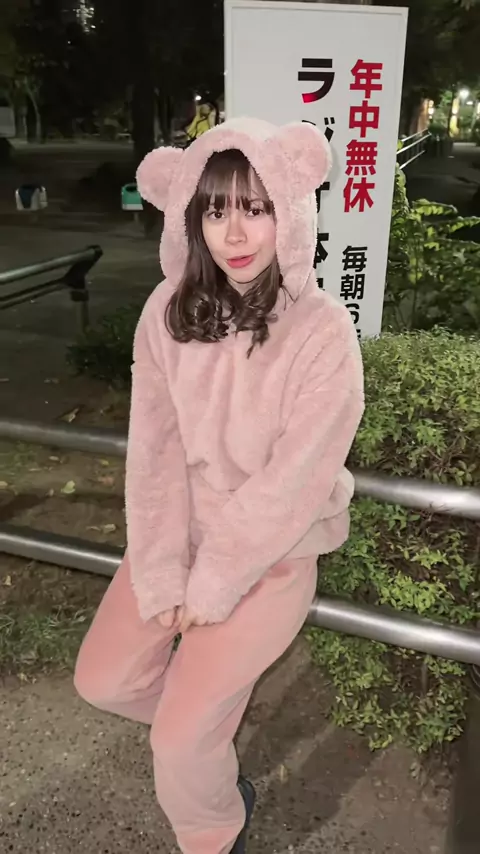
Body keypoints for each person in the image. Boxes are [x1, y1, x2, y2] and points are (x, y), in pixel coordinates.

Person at [74, 117, 365, 854]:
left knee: (177, 742)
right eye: (214, 210)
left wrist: (213, 583)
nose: (234, 233)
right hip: (179, 536)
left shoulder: (322, 329)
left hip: (271, 558)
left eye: (255, 208)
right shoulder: (166, 313)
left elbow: (296, 481)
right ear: (189, 217)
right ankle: (201, 731)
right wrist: (163, 568)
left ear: (287, 211)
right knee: (103, 681)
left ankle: (215, 823)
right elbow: (155, 453)